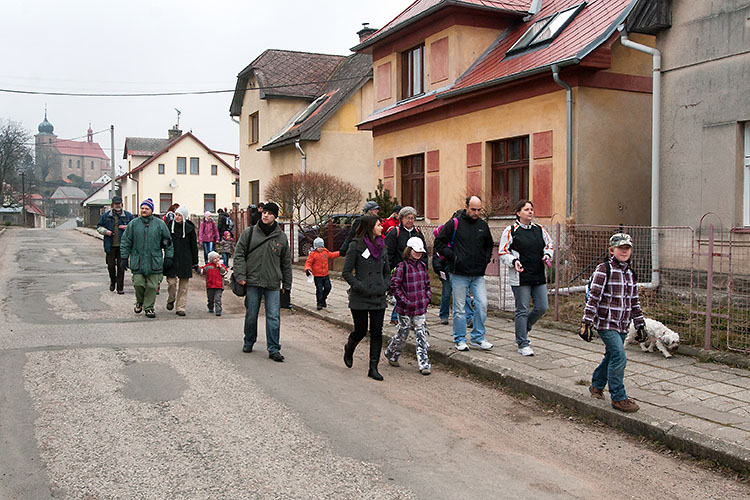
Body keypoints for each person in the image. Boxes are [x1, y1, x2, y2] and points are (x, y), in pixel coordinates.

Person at [581, 233, 646, 413]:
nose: (624, 251)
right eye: (620, 248)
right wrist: (586, 322)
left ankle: (596, 386)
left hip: (623, 323)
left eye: (627, 248)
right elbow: (593, 297)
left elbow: (634, 301)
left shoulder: (630, 273)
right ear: (612, 250)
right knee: (619, 356)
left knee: (611, 356)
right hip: (605, 322)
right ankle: (618, 397)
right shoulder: (604, 269)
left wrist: (640, 324)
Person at [434, 196, 494, 351]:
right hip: (459, 273)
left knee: (482, 305)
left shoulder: (483, 225)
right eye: (473, 209)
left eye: (479, 210)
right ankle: (460, 338)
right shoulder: (455, 223)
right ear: (466, 207)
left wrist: (485, 260)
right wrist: (453, 256)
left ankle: (478, 337)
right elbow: (439, 242)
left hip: (477, 273)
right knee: (460, 308)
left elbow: (489, 245)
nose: (476, 213)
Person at [234, 202, 292, 361]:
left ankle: (273, 348)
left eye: (269, 213)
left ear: (275, 217)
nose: (265, 215)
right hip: (252, 281)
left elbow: (286, 263)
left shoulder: (281, 237)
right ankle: (249, 340)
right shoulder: (250, 233)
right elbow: (238, 255)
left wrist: (287, 284)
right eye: (264, 212)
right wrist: (240, 276)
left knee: (274, 316)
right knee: (251, 314)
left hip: (273, 283)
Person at [498, 199, 554, 356]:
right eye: (526, 209)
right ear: (518, 213)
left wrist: (547, 255)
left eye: (531, 209)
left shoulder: (540, 229)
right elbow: (503, 252)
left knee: (542, 307)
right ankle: (522, 342)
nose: (530, 212)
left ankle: (524, 327)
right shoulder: (511, 230)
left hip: (537, 274)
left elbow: (549, 245)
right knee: (522, 309)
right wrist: (513, 261)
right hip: (520, 276)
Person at [341, 215, 389, 381]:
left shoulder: (382, 247)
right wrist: (359, 286)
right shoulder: (356, 246)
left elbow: (386, 272)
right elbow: (346, 272)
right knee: (361, 330)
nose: (381, 227)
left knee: (377, 332)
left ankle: (373, 367)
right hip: (360, 297)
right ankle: (349, 347)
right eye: (378, 225)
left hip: (378, 296)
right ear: (370, 227)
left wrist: (385, 285)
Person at [385, 237, 432, 375]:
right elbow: (395, 286)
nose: (418, 254)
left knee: (421, 334)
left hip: (420, 308)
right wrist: (404, 300)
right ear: (409, 250)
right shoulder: (402, 267)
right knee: (402, 333)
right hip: (405, 309)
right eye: (416, 251)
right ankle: (392, 352)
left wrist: (427, 297)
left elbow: (427, 284)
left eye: (420, 252)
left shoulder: (422, 266)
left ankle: (424, 364)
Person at [120, 198, 174, 318]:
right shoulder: (133, 224)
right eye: (142, 208)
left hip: (154, 261)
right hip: (138, 260)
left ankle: (149, 308)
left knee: (152, 286)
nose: (144, 210)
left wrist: (168, 257)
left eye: (146, 208)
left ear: (151, 210)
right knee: (138, 283)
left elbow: (168, 241)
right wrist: (124, 257)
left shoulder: (160, 224)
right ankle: (140, 301)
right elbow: (125, 241)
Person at [385, 206, 427, 325]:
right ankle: (398, 317)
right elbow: (389, 252)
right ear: (402, 219)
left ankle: (404, 317)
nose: (410, 221)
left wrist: (424, 268)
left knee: (411, 293)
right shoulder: (395, 233)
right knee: (403, 293)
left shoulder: (417, 233)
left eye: (412, 218)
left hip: (415, 269)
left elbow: (423, 251)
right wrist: (388, 270)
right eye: (408, 218)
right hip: (400, 269)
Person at [432, 225, 474, 326]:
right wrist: (439, 270)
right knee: (446, 294)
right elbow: (436, 259)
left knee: (464, 295)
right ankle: (444, 315)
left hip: (458, 271)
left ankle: (469, 318)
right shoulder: (441, 243)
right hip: (446, 272)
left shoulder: (458, 242)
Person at [96, 195, 134, 294]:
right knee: (111, 266)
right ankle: (113, 281)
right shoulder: (106, 216)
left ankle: (120, 288)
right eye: (116, 204)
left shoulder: (128, 216)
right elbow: (99, 227)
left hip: (123, 246)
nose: (117, 205)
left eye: (119, 203)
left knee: (122, 267)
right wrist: (106, 232)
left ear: (122, 204)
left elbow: (134, 227)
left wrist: (127, 227)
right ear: (112, 205)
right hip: (110, 245)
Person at [164, 206, 198, 317]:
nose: (177, 217)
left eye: (179, 215)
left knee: (184, 286)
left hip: (185, 259)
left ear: (184, 216)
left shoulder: (189, 229)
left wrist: (195, 261)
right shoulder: (169, 227)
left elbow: (194, 246)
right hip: (172, 259)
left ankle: (180, 307)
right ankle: (171, 299)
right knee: (172, 283)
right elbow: (165, 241)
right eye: (176, 215)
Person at [304, 237, 340, 310]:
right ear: (315, 247)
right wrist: (308, 269)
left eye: (321, 246)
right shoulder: (313, 254)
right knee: (319, 290)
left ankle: (323, 299)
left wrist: (340, 253)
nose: (320, 248)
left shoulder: (325, 252)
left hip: (325, 275)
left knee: (328, 287)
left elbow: (332, 255)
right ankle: (319, 303)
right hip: (317, 276)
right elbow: (308, 263)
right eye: (318, 247)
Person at [201, 251, 228, 316]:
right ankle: (210, 306)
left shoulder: (221, 266)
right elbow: (202, 271)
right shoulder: (208, 266)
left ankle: (218, 310)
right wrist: (197, 268)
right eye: (215, 258)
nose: (217, 260)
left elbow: (224, 272)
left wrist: (220, 267)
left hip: (219, 286)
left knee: (217, 299)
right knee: (210, 298)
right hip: (210, 285)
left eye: (218, 258)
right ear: (211, 260)